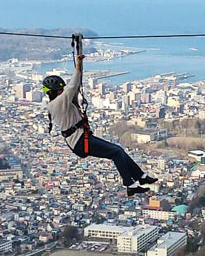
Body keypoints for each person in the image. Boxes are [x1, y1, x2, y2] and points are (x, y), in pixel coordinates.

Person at [43, 50, 157, 195]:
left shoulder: (59, 102)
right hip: (79, 141)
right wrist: (78, 64)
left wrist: (80, 67)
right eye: (60, 89)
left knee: (118, 150)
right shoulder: (58, 103)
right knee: (116, 152)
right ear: (55, 91)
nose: (63, 91)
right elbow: (73, 86)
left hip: (81, 139)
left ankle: (141, 177)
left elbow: (74, 88)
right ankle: (130, 184)